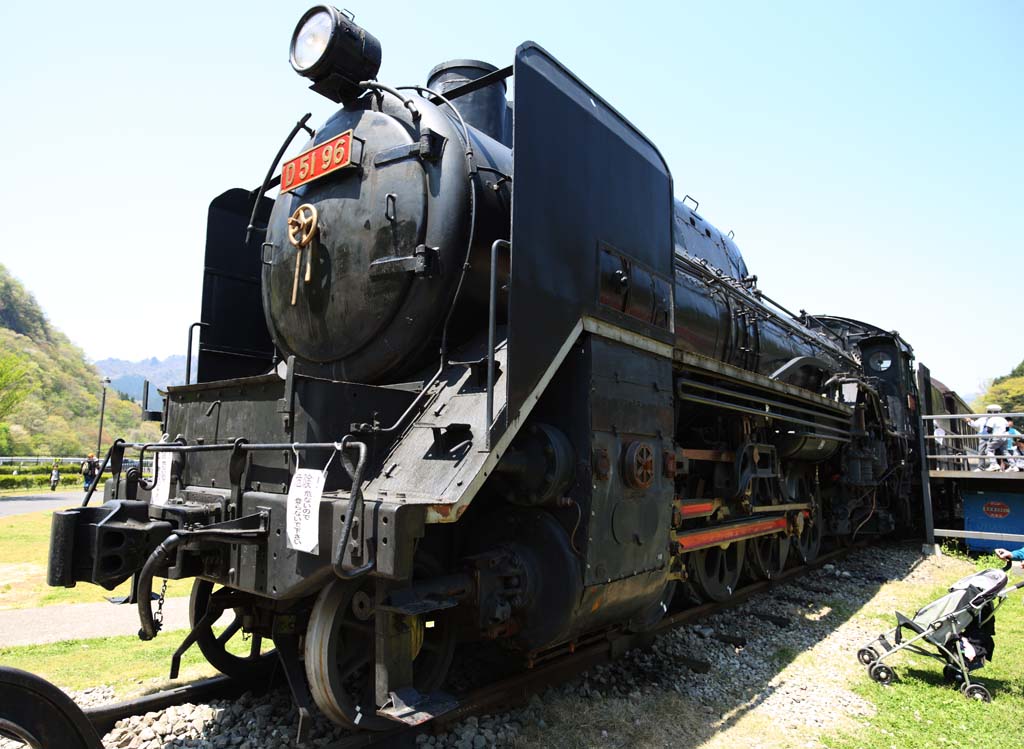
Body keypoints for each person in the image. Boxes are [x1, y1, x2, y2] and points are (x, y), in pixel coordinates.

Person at [965, 405, 1008, 471]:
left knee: (997, 452)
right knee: (981, 452)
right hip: (984, 437)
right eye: (989, 412)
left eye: (992, 412)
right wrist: (970, 421)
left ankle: (996, 466)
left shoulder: (1000, 419)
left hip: (995, 438)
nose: (990, 413)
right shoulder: (983, 419)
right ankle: (981, 467)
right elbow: (975, 425)